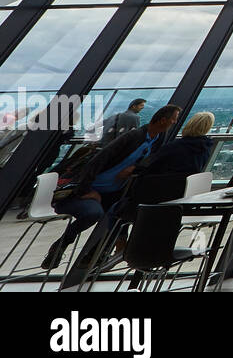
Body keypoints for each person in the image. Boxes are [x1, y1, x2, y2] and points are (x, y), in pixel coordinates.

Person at [43, 105, 182, 273]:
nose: (175, 122)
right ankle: (61, 245)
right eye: (174, 118)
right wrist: (86, 190)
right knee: (94, 213)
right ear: (163, 120)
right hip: (83, 191)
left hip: (111, 192)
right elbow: (97, 161)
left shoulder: (158, 138)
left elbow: (151, 160)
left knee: (122, 216)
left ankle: (96, 256)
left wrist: (134, 169)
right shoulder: (133, 136)